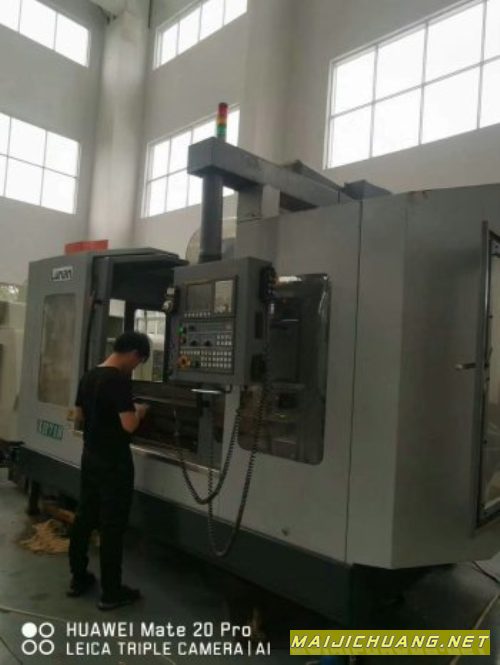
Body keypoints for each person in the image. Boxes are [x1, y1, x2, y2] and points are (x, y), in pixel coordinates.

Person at [67, 331, 150, 610]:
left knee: (84, 517)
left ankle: (78, 578)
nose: (135, 367)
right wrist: (139, 411)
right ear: (134, 354)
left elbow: (78, 415)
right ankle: (111, 592)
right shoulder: (118, 380)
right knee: (112, 526)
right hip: (114, 463)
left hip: (90, 457)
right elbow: (129, 425)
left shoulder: (89, 376)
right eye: (138, 361)